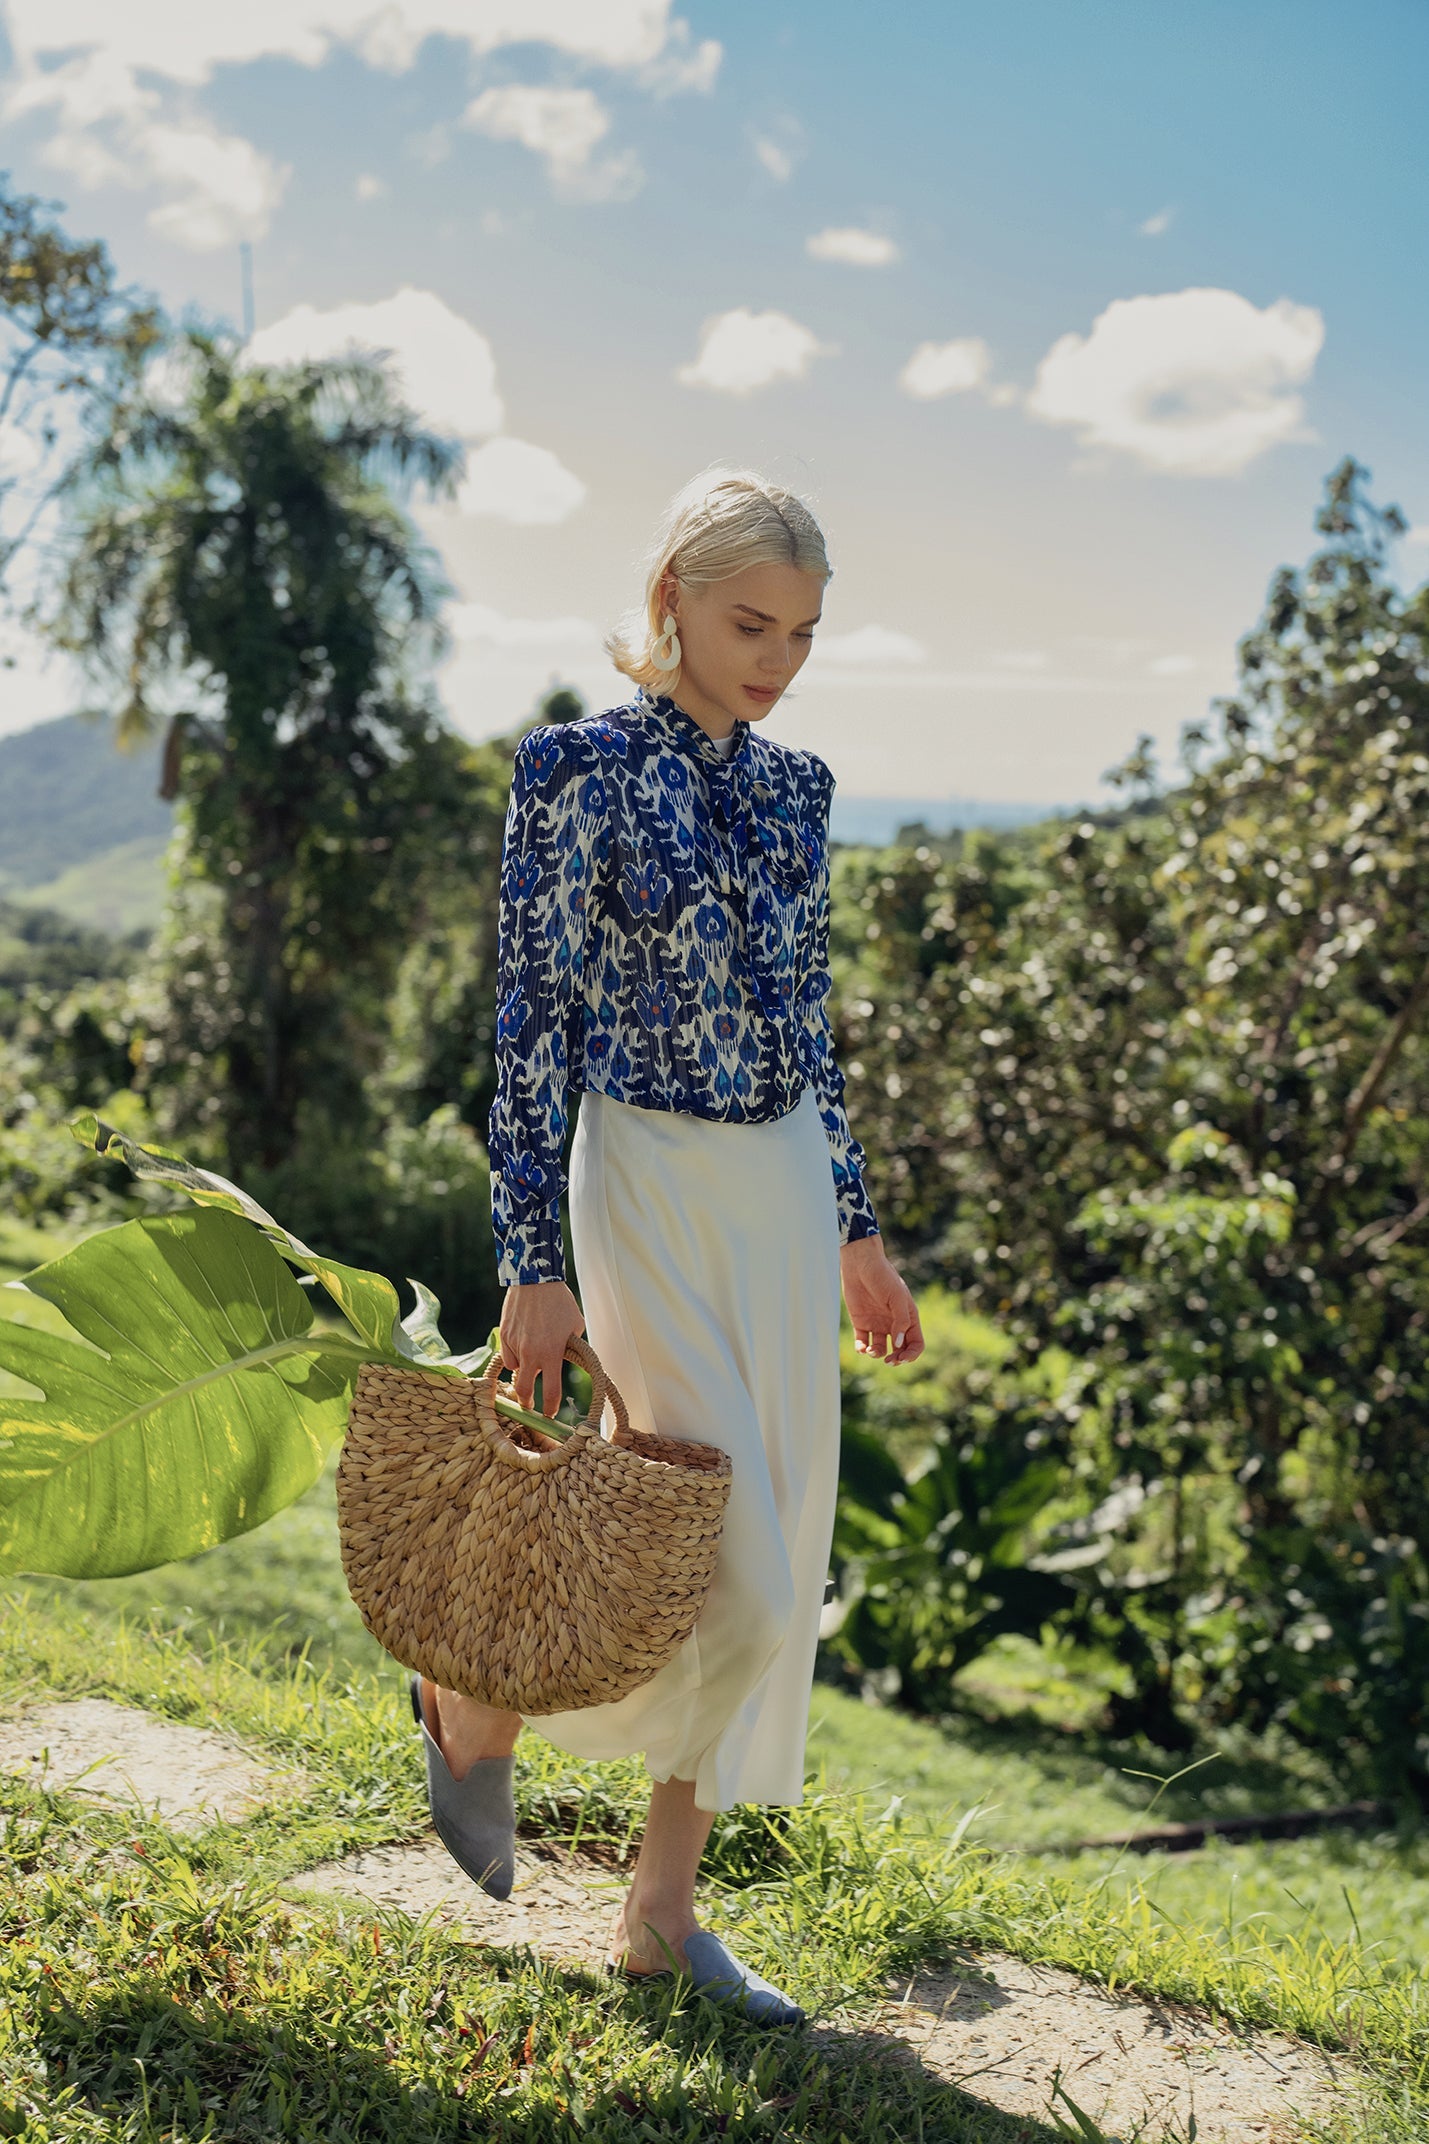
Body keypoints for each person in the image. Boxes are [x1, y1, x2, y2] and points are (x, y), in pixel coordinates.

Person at [411, 466, 925, 2026]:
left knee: (773, 1539)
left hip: (776, 1189)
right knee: (728, 1570)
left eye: (803, 633)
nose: (774, 657)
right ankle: (472, 1695)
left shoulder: (797, 790)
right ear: (671, 604)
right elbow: (530, 1026)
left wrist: (854, 1226)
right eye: (747, 620)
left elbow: (805, 1025)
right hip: (634, 1177)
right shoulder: (575, 769)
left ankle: (658, 1913)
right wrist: (530, 1260)